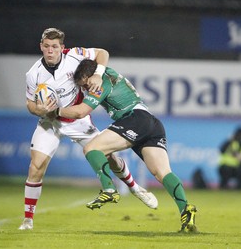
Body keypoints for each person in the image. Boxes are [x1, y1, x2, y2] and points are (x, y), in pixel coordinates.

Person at [20, 28, 158, 230]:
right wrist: (38, 109)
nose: (50, 51)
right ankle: (28, 220)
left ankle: (135, 188)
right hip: (50, 122)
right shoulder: (33, 74)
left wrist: (98, 75)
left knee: (109, 157)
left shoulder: (75, 55)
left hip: (79, 121)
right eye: (47, 46)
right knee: (36, 167)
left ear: (62, 48)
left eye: (55, 47)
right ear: (41, 46)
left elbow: (103, 53)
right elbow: (30, 104)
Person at [48, 59, 198, 232]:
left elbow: (81, 112)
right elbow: (101, 54)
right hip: (152, 123)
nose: (87, 89)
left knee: (91, 148)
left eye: (86, 84)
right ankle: (186, 209)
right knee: (162, 173)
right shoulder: (105, 73)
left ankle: (109, 189)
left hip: (135, 119)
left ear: (90, 76)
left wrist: (53, 111)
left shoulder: (101, 81)